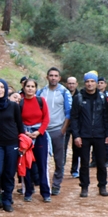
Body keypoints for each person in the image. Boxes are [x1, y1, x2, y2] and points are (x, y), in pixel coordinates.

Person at [0, 79, 25, 213]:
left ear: (6, 89)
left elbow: (19, 125)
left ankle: (7, 200)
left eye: (2, 87)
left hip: (12, 144)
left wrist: (23, 141)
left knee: (9, 174)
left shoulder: (14, 106)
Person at [70, 72, 108, 198]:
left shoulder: (102, 98)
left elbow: (106, 117)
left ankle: (102, 186)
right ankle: (84, 187)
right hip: (84, 135)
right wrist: (76, 135)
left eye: (93, 81)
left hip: (100, 135)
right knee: (84, 163)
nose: (90, 84)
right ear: (84, 83)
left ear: (96, 83)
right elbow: (74, 118)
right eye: (88, 81)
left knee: (101, 162)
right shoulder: (78, 98)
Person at [36, 67, 72, 196]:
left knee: (59, 159)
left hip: (58, 130)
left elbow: (69, 113)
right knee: (40, 158)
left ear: (59, 78)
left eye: (56, 75)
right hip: (42, 131)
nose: (53, 78)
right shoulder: (41, 92)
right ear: (47, 77)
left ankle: (56, 184)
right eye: (51, 75)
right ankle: (40, 182)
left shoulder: (64, 92)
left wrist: (63, 130)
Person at [20, 79, 51, 202]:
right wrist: (25, 132)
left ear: (36, 88)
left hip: (40, 135)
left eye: (32, 86)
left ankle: (45, 192)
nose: (30, 89)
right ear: (24, 88)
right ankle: (28, 191)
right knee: (27, 164)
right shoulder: (20, 103)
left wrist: (39, 132)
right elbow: (18, 120)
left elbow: (46, 118)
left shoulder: (41, 101)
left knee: (42, 164)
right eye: (28, 86)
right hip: (26, 137)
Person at [92, 76, 108, 168]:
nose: (100, 84)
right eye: (98, 83)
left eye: (102, 83)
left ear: (105, 84)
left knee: (107, 141)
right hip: (96, 121)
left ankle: (106, 159)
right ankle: (94, 160)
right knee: (94, 141)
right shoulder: (93, 95)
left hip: (106, 121)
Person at [64, 76, 81, 178]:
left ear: (76, 84)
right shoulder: (63, 94)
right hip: (65, 124)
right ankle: (61, 168)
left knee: (77, 149)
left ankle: (75, 170)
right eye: (69, 83)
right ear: (67, 84)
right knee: (63, 148)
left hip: (76, 125)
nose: (71, 85)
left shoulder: (80, 96)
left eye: (73, 83)